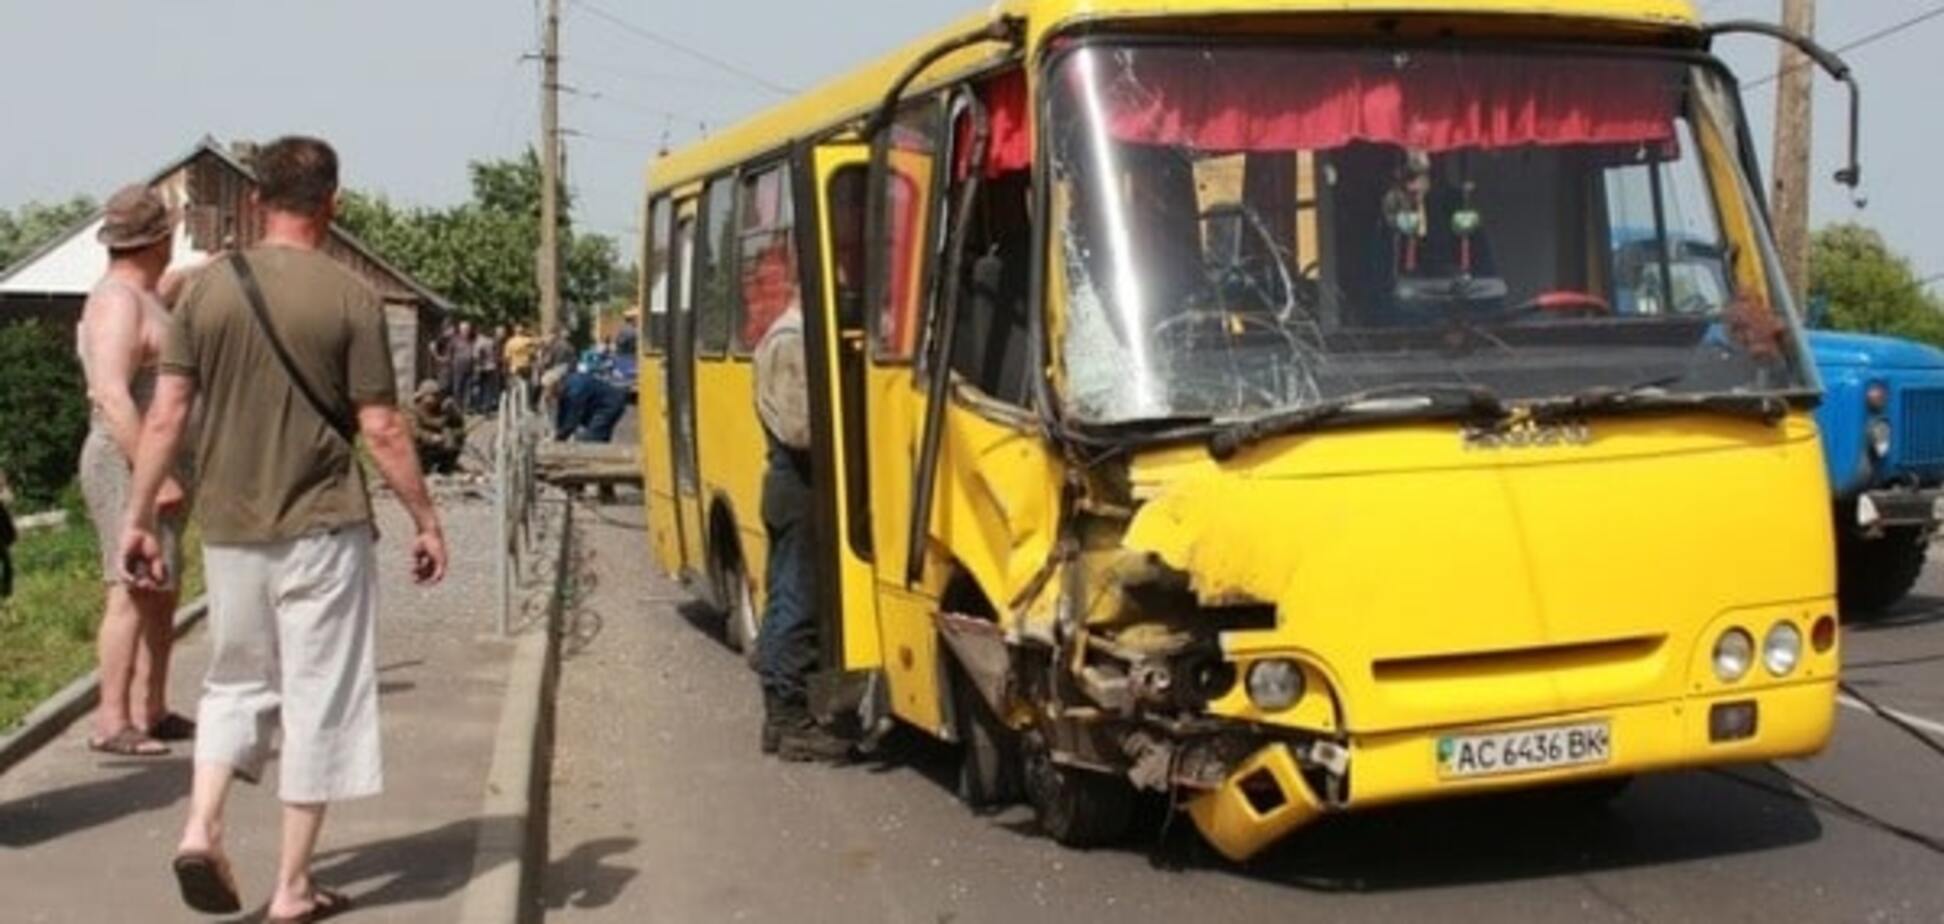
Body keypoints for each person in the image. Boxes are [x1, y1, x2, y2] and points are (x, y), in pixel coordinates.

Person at [117, 136, 447, 922]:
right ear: (332, 202)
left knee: (234, 683)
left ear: (257, 200)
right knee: (318, 701)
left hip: (230, 526)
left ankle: (201, 826)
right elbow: (383, 428)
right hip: (323, 525)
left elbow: (165, 414)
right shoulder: (350, 297)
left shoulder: (205, 292)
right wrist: (425, 519)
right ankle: (293, 887)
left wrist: (137, 518)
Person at [76, 183, 197, 757]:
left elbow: (167, 293)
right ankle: (112, 717)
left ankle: (151, 706)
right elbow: (112, 395)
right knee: (130, 586)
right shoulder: (118, 303)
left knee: (161, 588)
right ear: (158, 239)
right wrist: (157, 476)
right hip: (128, 462)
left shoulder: (142, 292)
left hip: (151, 462)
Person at [751, 306, 851, 762]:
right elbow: (800, 430)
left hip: (788, 486)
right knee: (798, 601)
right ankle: (792, 722)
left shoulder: (786, 333)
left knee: (783, 600)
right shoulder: (793, 339)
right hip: (800, 485)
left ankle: (778, 718)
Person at [410, 380, 466, 474]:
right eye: (428, 397)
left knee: (454, 439)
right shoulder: (414, 409)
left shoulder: (445, 407)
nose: (431, 402)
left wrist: (454, 413)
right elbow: (414, 430)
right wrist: (430, 437)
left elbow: (459, 426)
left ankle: (447, 467)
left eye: (435, 396)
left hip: (442, 443)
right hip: (424, 446)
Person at [442, 320, 477, 415]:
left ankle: (467, 407)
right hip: (457, 368)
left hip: (470, 367)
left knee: (468, 388)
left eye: (468, 329)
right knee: (457, 388)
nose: (466, 331)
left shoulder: (471, 340)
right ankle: (458, 407)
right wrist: (449, 364)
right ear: (460, 330)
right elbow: (449, 354)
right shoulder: (454, 340)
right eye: (465, 329)